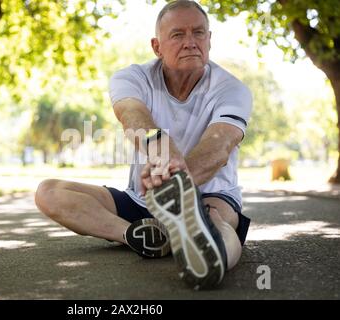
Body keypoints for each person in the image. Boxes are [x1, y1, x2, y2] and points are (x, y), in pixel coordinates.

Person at [35, 0, 252, 290]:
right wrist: (163, 161)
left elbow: (220, 145)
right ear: (156, 46)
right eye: (177, 35)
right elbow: (134, 118)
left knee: (218, 222)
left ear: (209, 39)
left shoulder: (232, 89)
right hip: (145, 197)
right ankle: (140, 236)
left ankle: (214, 259)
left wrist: (176, 180)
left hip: (210, 195)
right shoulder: (132, 77)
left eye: (199, 33)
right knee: (48, 192)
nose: (190, 42)